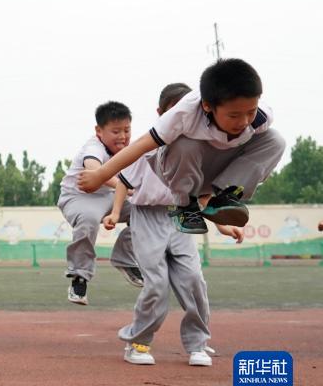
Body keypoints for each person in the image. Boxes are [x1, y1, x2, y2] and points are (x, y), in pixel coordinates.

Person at [104, 82, 243, 367]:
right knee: (156, 283)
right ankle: (139, 342)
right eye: (174, 112)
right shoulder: (147, 148)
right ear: (161, 113)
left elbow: (203, 197)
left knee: (193, 280)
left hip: (181, 216)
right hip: (148, 217)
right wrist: (116, 212)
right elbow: (124, 181)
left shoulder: (199, 152)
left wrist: (222, 225)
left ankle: (197, 344)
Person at [79, 58, 285, 234]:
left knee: (274, 140)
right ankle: (186, 206)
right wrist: (100, 175)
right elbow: (141, 145)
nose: (243, 121)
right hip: (176, 170)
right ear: (207, 105)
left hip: (215, 171)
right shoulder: (184, 114)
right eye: (233, 115)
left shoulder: (260, 118)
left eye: (250, 111)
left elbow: (262, 150)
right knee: (186, 144)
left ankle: (226, 195)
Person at [57, 102, 142, 305]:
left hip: (110, 195)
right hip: (79, 197)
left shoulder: (129, 149)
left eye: (127, 130)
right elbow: (95, 171)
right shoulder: (93, 147)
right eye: (116, 131)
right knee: (89, 219)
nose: (122, 136)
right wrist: (128, 188)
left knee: (147, 211)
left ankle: (125, 258)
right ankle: (80, 276)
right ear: (99, 131)